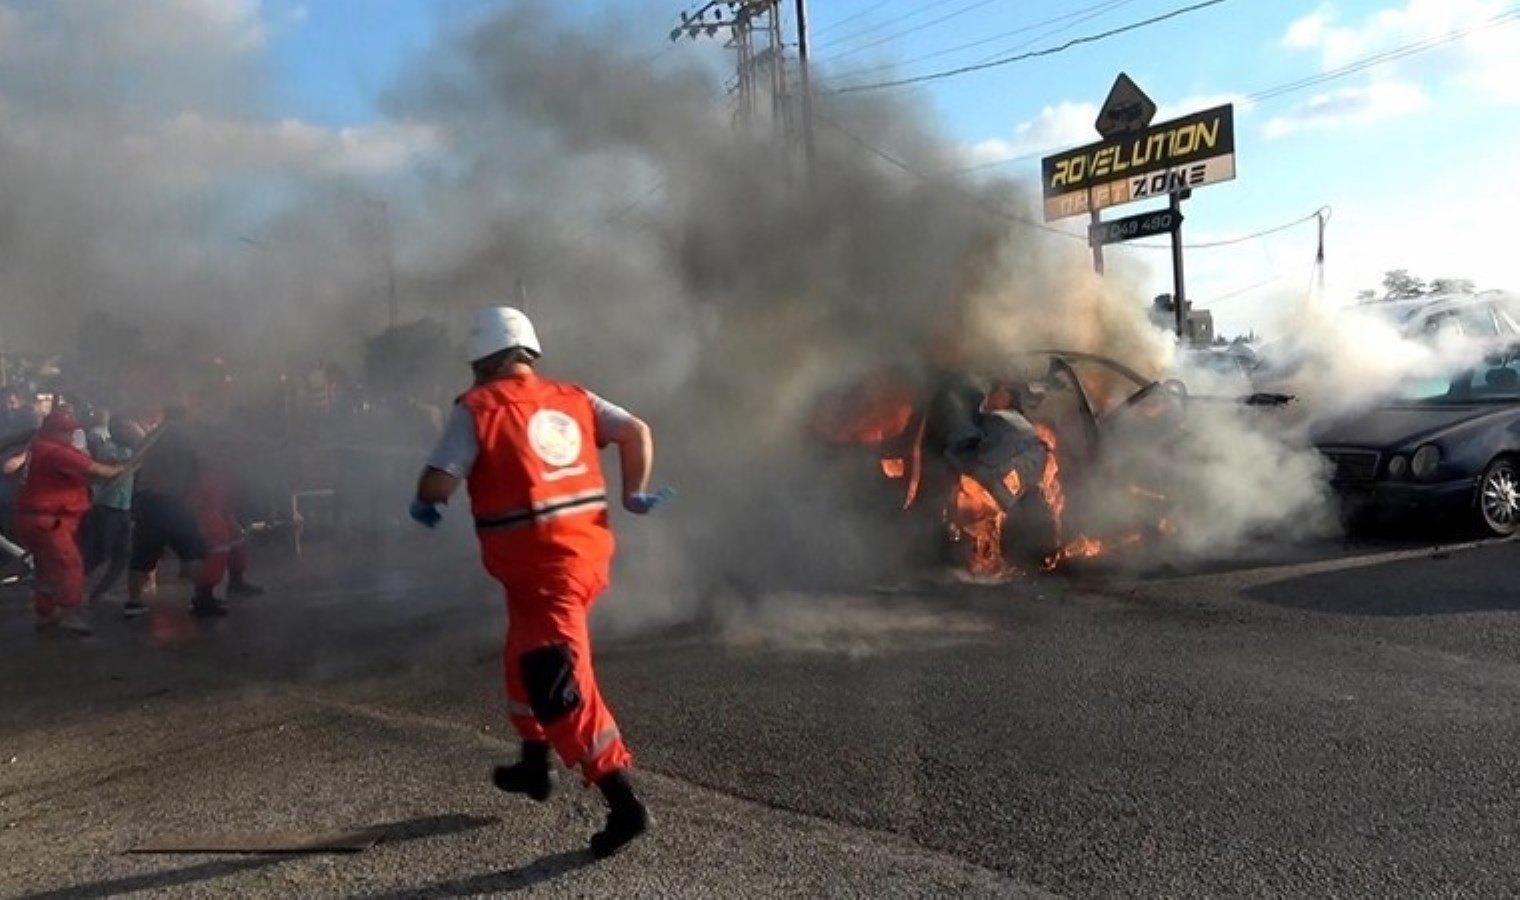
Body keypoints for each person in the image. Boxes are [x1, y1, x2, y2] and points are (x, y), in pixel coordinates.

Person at [411, 306, 668, 859]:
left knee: (561, 688)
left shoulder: (476, 409)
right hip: (579, 560)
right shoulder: (574, 398)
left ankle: (623, 802)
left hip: (545, 573)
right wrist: (633, 494)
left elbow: (438, 482)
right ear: (528, 353)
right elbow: (635, 432)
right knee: (520, 659)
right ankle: (534, 764)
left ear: (481, 363)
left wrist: (424, 500)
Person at [13, 406, 125, 634]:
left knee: (46, 570)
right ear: (55, 431)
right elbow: (97, 470)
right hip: (49, 522)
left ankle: (46, 613)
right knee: (69, 566)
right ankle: (69, 615)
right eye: (66, 432)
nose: (70, 436)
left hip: (34, 519)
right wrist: (121, 469)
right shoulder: (56, 452)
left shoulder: (39, 447)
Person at [125, 405, 226, 618]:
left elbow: (136, 464)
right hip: (172, 499)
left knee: (143, 553)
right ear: (185, 415)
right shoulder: (187, 436)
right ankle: (202, 598)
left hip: (146, 498)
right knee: (195, 551)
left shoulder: (153, 435)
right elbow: (201, 463)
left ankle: (133, 603)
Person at [83, 410, 140, 600]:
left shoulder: (131, 448)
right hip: (107, 507)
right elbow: (130, 456)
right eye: (125, 427)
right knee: (100, 553)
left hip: (123, 507)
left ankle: (99, 592)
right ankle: (72, 584)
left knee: (123, 554)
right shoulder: (107, 448)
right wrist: (138, 434)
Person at [189, 458, 263, 600]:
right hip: (206, 509)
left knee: (237, 539)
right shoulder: (204, 470)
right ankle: (204, 595)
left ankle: (236, 581)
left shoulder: (229, 468)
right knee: (217, 543)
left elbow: (233, 494)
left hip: (220, 506)